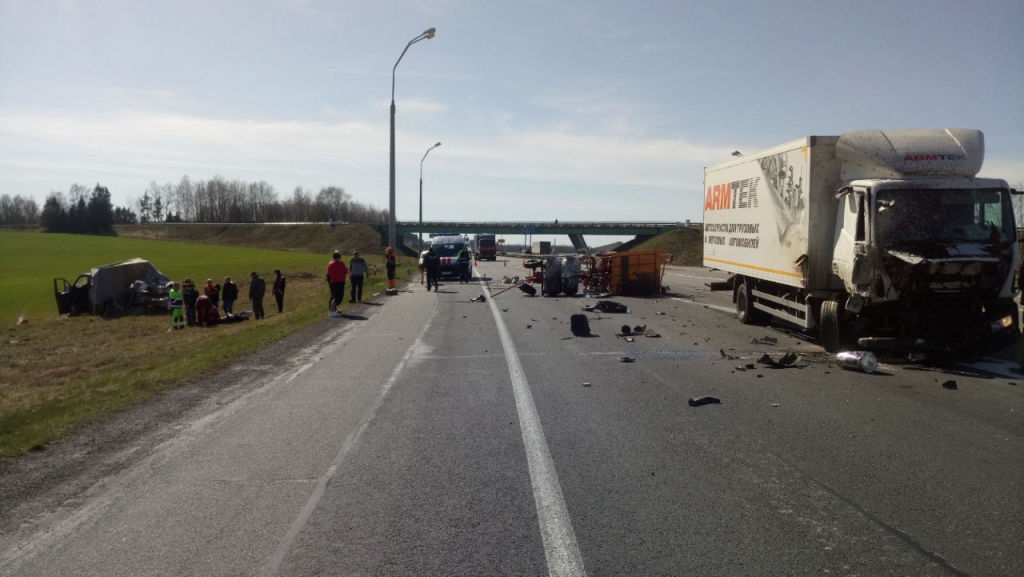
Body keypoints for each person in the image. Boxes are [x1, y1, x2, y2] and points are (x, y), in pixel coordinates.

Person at [326, 250, 348, 317]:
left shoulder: (330, 263)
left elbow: (328, 273)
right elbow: (346, 271)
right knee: (338, 297)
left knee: (333, 295)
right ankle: (332, 312)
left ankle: (333, 310)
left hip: (332, 282)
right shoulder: (341, 263)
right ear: (339, 257)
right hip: (339, 281)